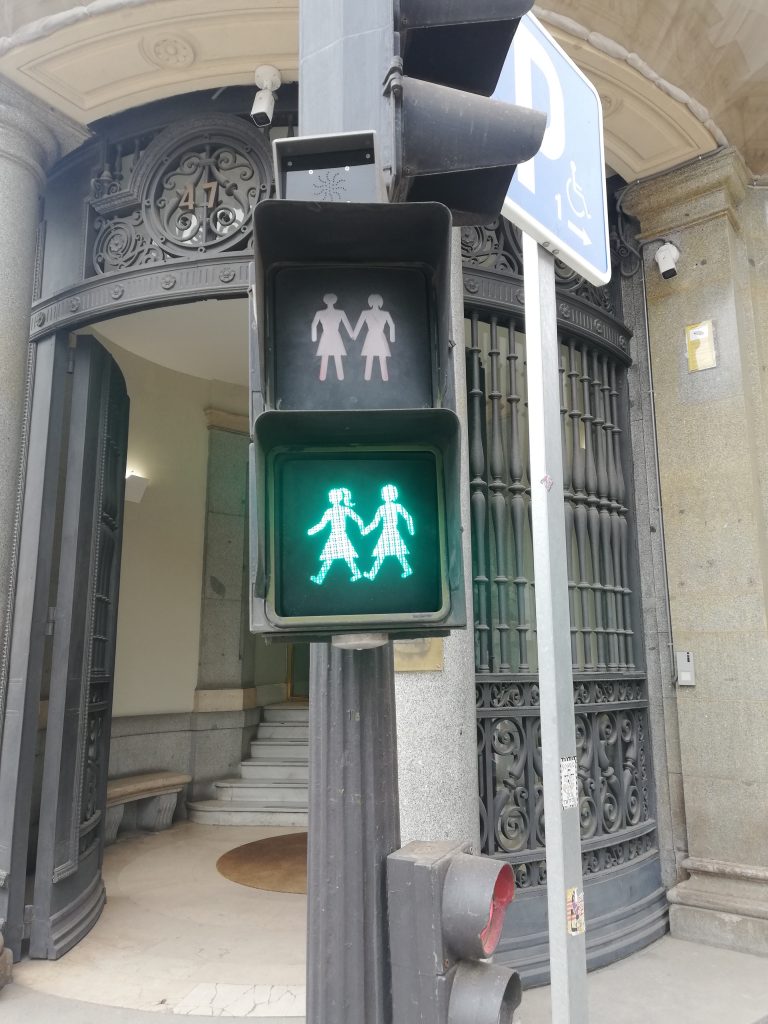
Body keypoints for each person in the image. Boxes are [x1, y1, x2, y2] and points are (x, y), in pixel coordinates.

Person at [307, 487, 365, 584]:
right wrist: (312, 530)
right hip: (337, 536)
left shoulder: (339, 510)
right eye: (331, 497)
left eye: (332, 497)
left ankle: (320, 578)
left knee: (339, 558)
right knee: (335, 558)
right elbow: (322, 524)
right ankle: (320, 578)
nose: (331, 498)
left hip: (339, 536)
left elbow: (358, 519)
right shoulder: (333, 511)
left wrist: (362, 529)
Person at [362, 484, 415, 580]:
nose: (387, 496)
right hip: (386, 533)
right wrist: (366, 530)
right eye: (385, 494)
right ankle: (372, 574)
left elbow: (408, 517)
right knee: (383, 555)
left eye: (389, 494)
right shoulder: (381, 508)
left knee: (396, 554)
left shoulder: (398, 506)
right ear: (382, 495)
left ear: (394, 495)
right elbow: (375, 523)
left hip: (393, 532)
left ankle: (372, 574)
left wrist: (411, 529)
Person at [351, 294, 396, 382]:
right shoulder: (384, 313)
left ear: (370, 302)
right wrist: (392, 338)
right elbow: (392, 325)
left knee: (371, 356)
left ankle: (368, 377)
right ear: (380, 302)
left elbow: (359, 324)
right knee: (379, 356)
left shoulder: (366, 313)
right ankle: (384, 377)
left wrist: (354, 335)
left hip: (372, 336)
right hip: (378, 336)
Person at [311, 294, 355, 381]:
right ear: (335, 301)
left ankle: (324, 377)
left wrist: (314, 337)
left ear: (325, 301)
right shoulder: (339, 313)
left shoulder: (321, 313)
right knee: (334, 354)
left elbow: (313, 325)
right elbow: (347, 324)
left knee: (327, 355)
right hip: (333, 336)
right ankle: (337, 376)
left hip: (329, 336)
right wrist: (352, 335)